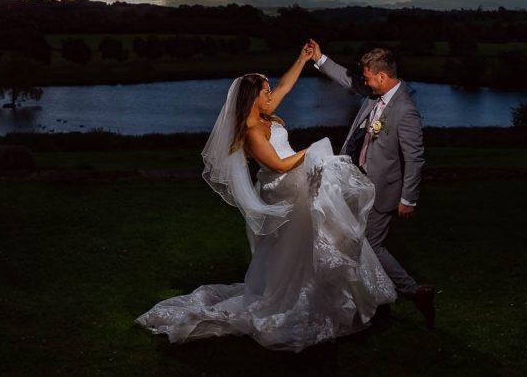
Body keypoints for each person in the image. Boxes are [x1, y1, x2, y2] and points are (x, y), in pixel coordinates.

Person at [135, 45, 396, 351]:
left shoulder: (266, 114)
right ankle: (294, 296)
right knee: (298, 241)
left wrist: (303, 58)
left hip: (296, 178)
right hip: (282, 185)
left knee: (318, 231)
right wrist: (311, 151)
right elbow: (277, 164)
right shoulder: (251, 129)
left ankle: (325, 291)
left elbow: (286, 84)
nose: (270, 94)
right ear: (253, 97)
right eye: (265, 90)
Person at [308, 40, 435, 328]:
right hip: (357, 184)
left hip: (383, 191)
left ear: (382, 76)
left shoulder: (406, 111)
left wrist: (408, 199)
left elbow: (415, 158)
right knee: (350, 241)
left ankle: (415, 293)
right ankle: (367, 298)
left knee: (370, 245)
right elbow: (348, 80)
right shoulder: (373, 94)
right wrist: (319, 58)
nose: (364, 82)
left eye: (368, 77)